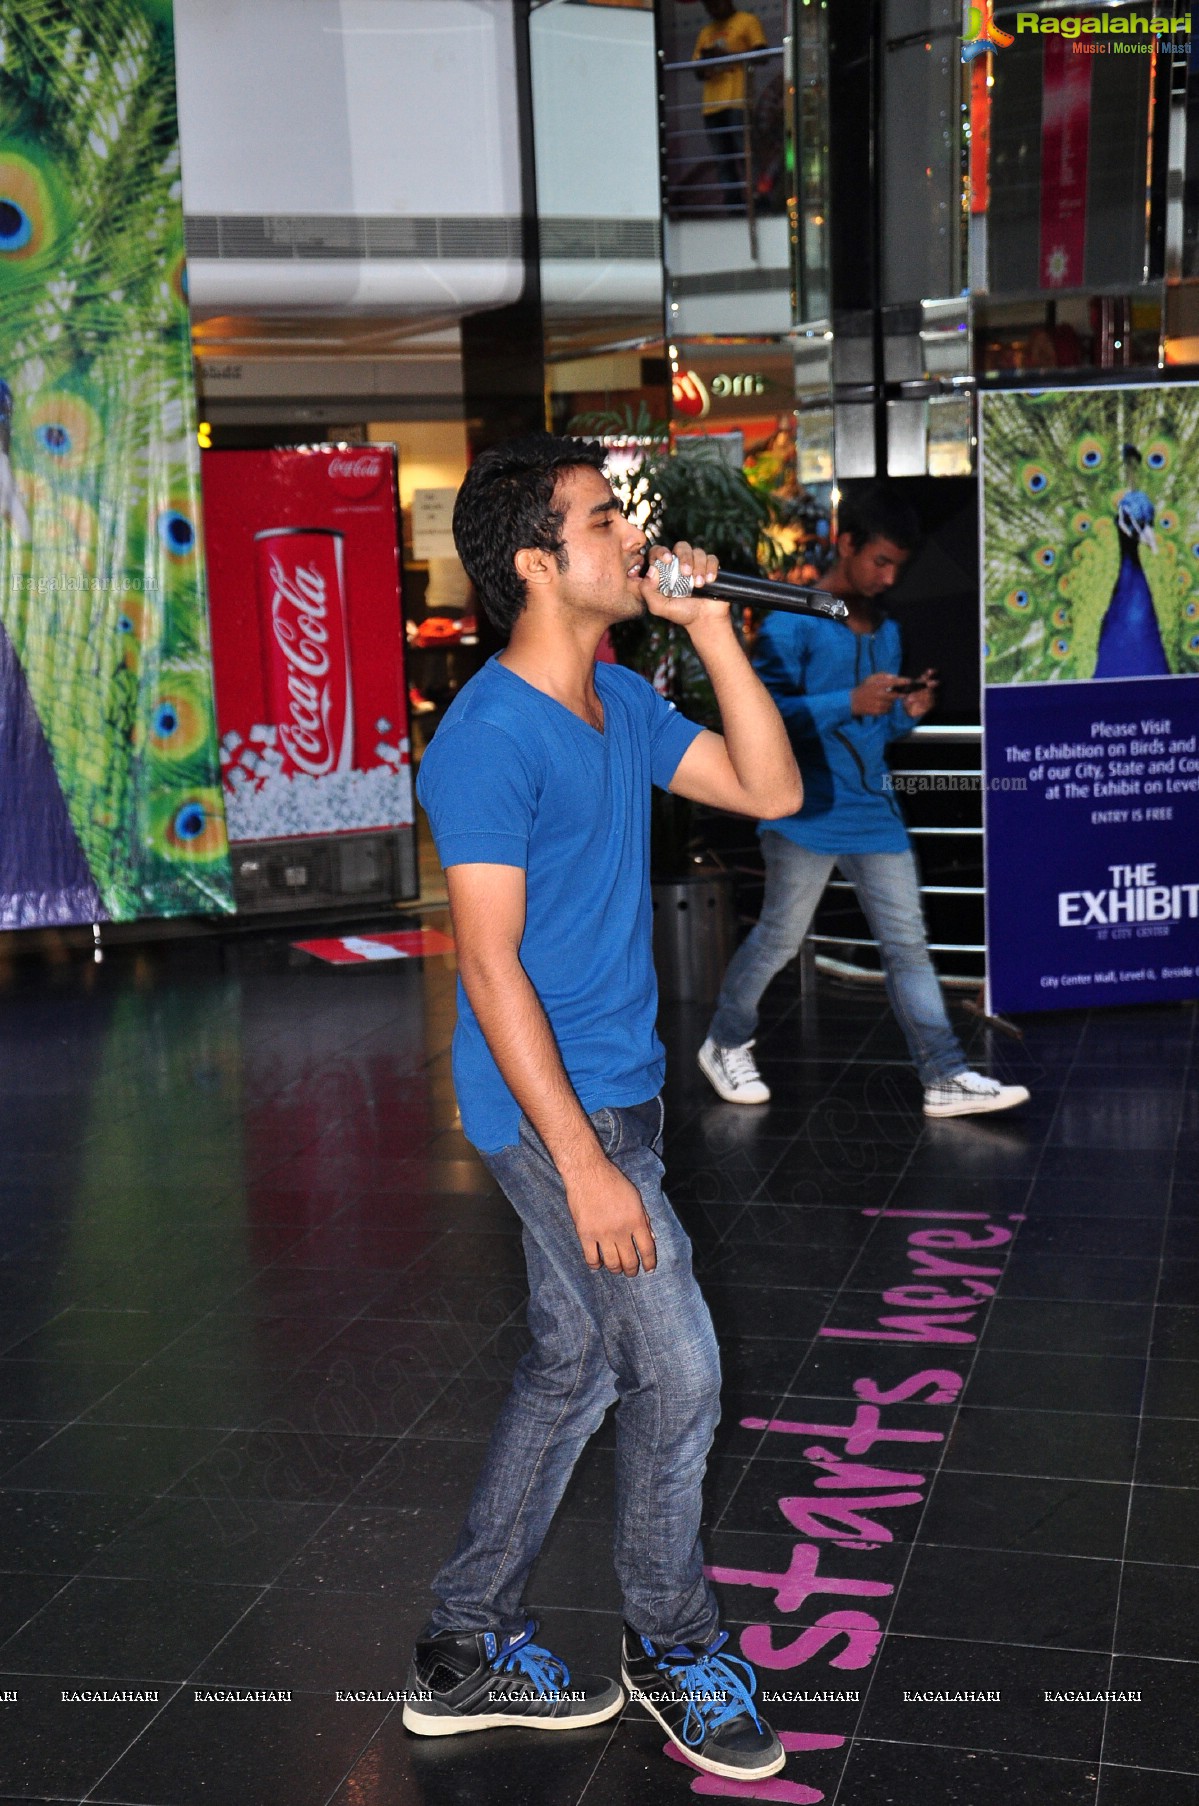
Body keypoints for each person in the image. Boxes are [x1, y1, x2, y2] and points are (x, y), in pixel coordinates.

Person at [404, 434, 800, 1782]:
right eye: (596, 520)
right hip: (546, 1115)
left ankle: (463, 1643)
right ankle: (670, 1638)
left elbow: (769, 789)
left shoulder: (616, 702)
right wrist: (581, 1163)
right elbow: (490, 963)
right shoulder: (487, 738)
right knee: (677, 1368)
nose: (628, 538)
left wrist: (712, 626)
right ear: (534, 561)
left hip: (619, 1092)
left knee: (573, 1366)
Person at [698, 484, 1031, 1120]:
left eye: (897, 567)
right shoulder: (793, 620)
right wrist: (848, 701)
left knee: (908, 945)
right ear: (845, 544)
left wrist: (903, 713)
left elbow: (873, 735)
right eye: (879, 560)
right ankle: (725, 1041)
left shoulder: (890, 631)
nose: (887, 576)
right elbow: (760, 717)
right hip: (802, 809)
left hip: (873, 812)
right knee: (778, 938)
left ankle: (944, 1075)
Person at [691, 0, 766, 213]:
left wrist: (725, 57)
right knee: (723, 160)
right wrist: (708, 62)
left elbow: (762, 55)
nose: (711, 10)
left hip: (738, 100)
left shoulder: (747, 21)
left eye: (714, 5)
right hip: (712, 106)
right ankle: (733, 204)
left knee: (746, 153)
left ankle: (758, 198)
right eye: (708, 7)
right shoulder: (706, 31)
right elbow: (696, 70)